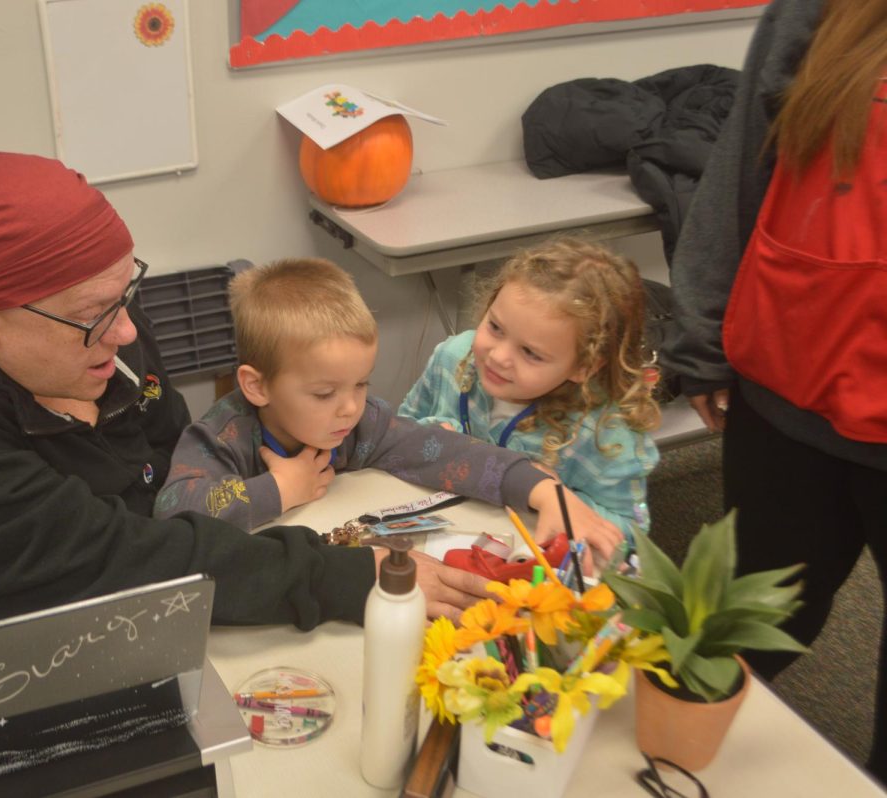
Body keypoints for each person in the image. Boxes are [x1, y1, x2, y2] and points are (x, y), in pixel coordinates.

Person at [0, 152, 494, 626]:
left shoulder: (88, 307)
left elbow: (155, 457)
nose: (128, 333)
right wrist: (344, 578)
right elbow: (112, 565)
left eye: (124, 293)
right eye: (92, 317)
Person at [660, 0, 887, 779]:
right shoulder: (826, 12)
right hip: (791, 394)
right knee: (728, 634)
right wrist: (706, 338)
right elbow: (743, 165)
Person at [153, 258, 618, 555]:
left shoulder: (363, 423)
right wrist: (280, 487)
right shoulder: (222, 434)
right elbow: (173, 513)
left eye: (361, 383)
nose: (350, 408)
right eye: (324, 393)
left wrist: (538, 488)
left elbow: (445, 452)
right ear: (257, 387)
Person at [399, 238, 661, 553]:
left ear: (583, 367)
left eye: (530, 353)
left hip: (530, 563)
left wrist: (553, 495)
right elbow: (398, 430)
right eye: (495, 327)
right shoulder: (452, 357)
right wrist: (432, 435)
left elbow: (632, 534)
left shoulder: (607, 433)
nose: (498, 356)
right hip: (441, 535)